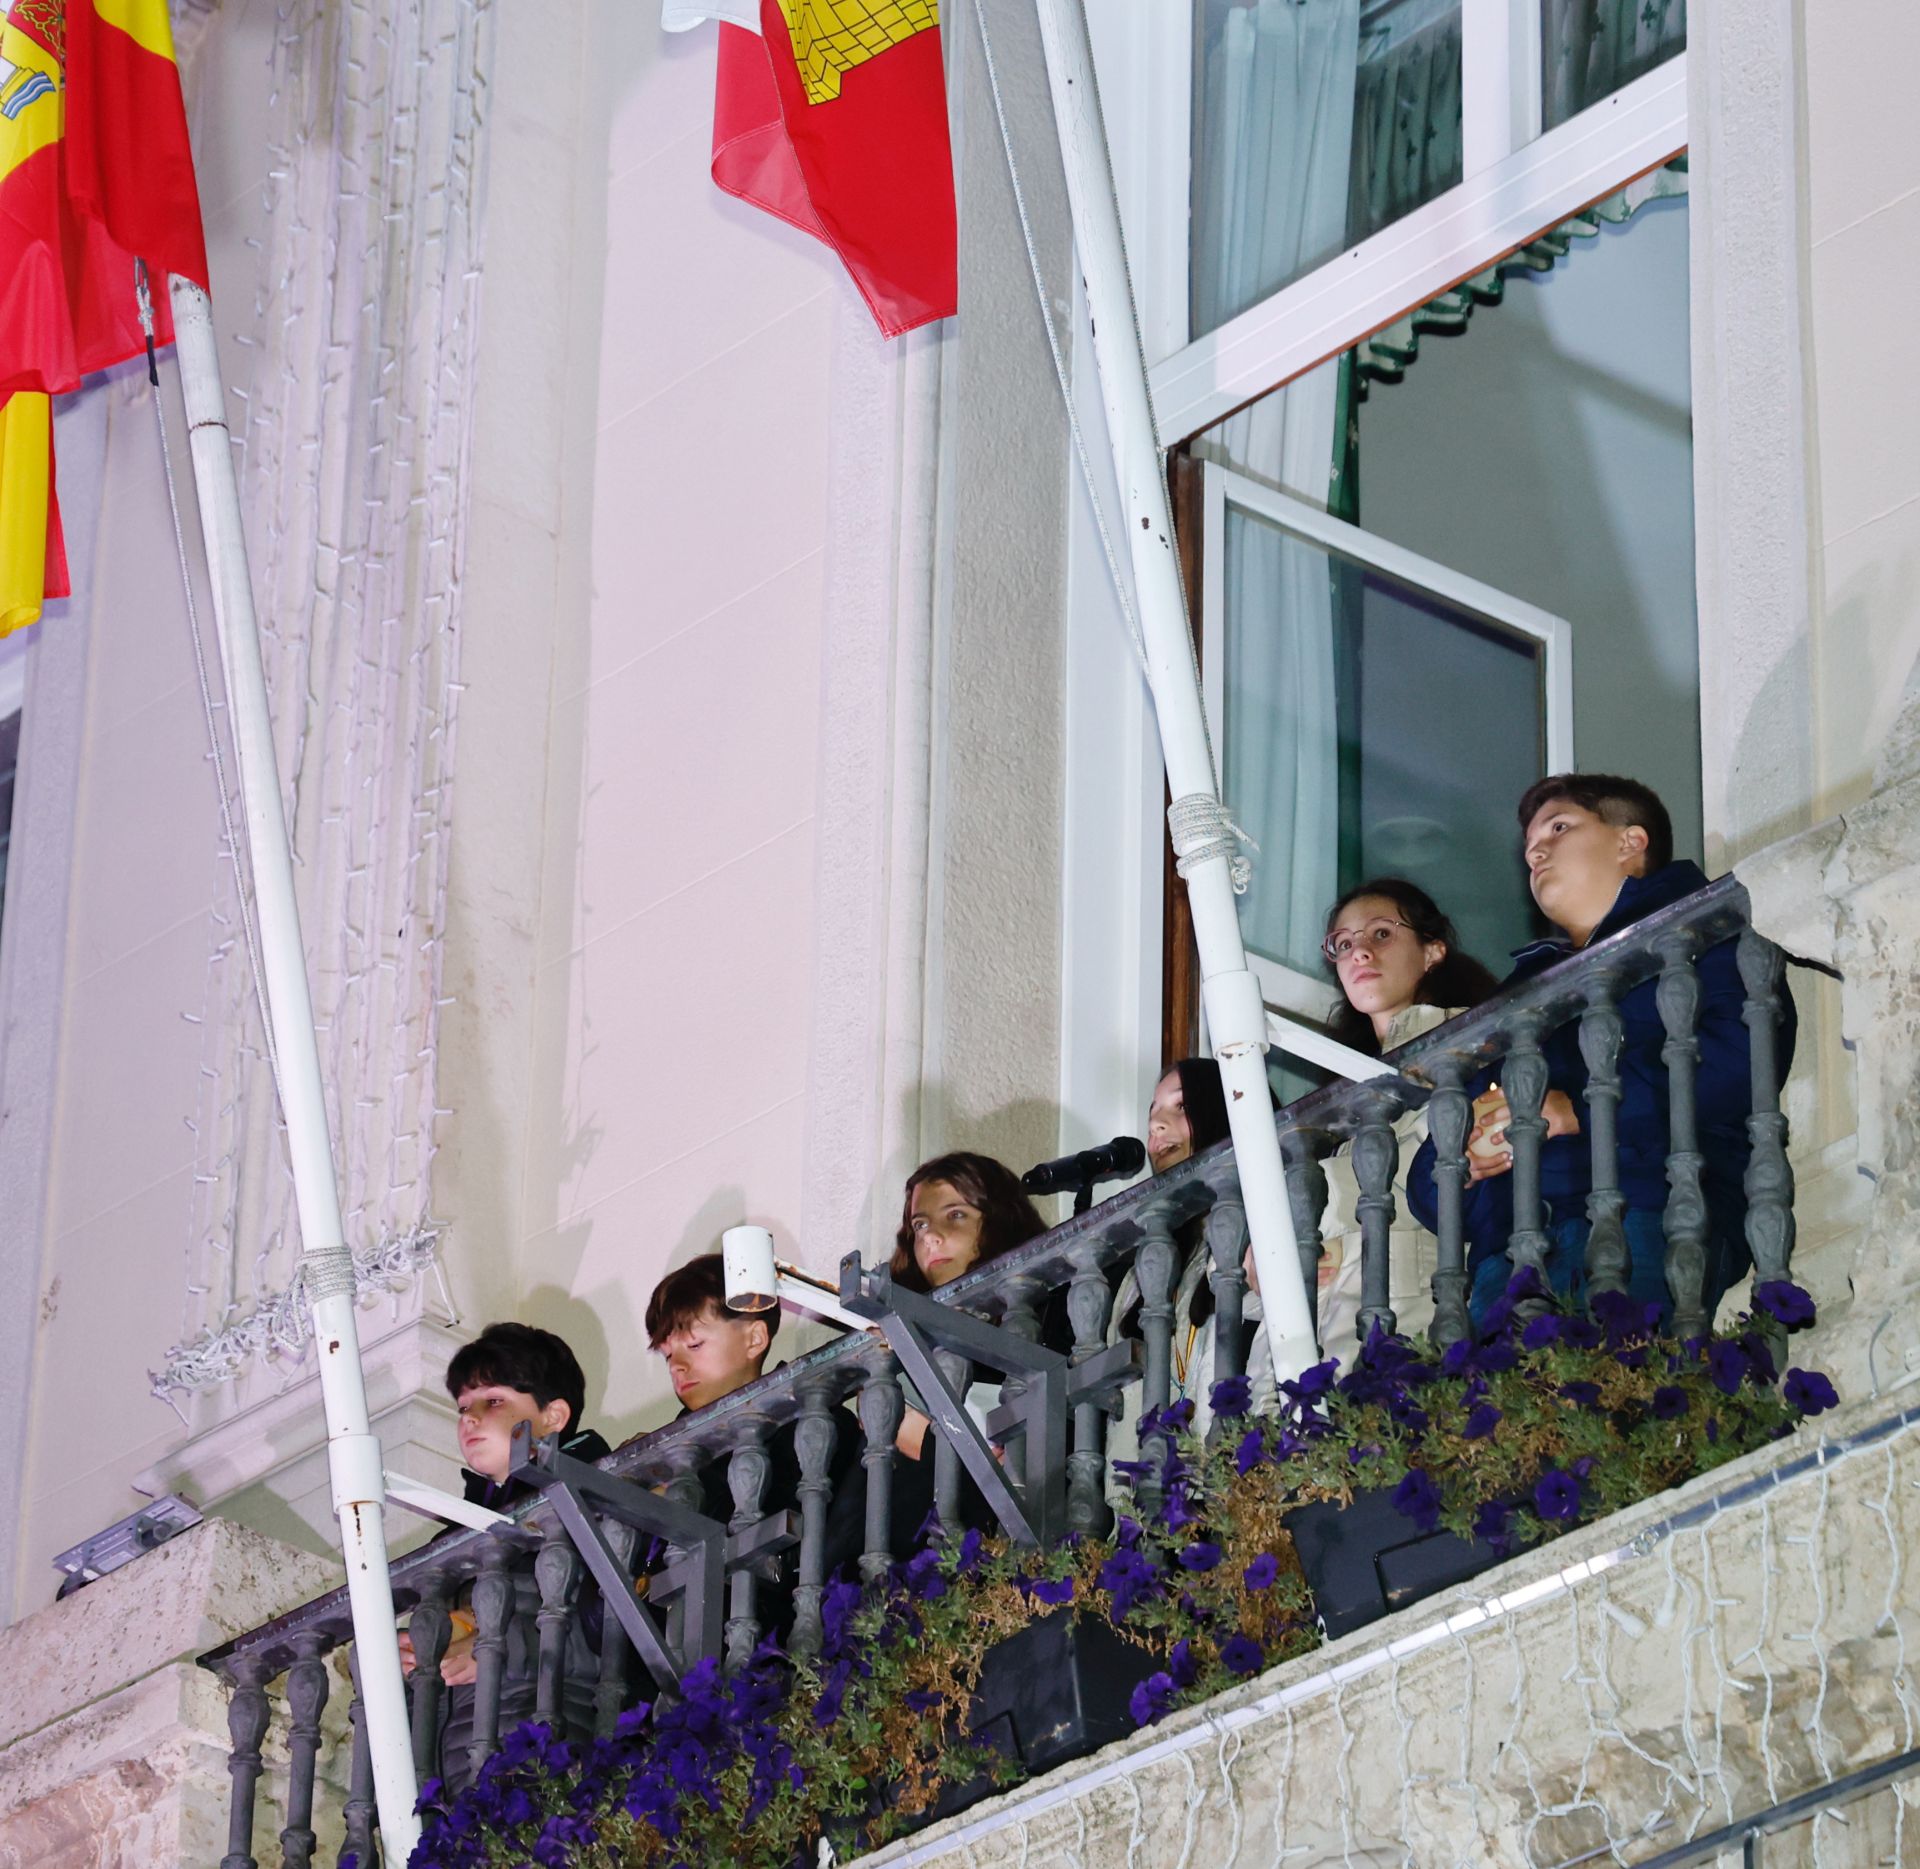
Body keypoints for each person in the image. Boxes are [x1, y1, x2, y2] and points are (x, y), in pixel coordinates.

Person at [1406, 773, 1797, 1329]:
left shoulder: (1707, 932)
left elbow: (1740, 1061)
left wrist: (1580, 1110)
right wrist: (1460, 1160)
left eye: (1559, 828)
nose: (1535, 851)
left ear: (1629, 842)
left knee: (1614, 1404)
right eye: (1529, 846)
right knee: (1516, 1413)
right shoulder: (1508, 999)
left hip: (1649, 1213)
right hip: (1508, 1253)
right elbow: (1431, 1181)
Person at [404, 1323, 610, 1784]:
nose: (470, 1418)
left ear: (554, 1416)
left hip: (546, 1740)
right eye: (462, 1407)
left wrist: (495, 1651)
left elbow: (610, 1631)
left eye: (492, 1400)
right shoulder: (454, 1537)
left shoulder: (597, 1496)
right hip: (454, 1762)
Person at [1310, 879, 1500, 1352]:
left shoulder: (1468, 1042)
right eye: (1343, 944)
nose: (1359, 953)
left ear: (1432, 951)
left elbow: (1427, 1161)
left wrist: (1301, 1207)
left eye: (1381, 934)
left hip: (1418, 1294)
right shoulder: (1344, 1084)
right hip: (1337, 1313)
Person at [644, 1253, 866, 1636]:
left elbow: (797, 1536)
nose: (677, 1366)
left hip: (780, 1634)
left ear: (754, 1338)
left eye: (693, 1345)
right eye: (668, 1355)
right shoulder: (671, 1453)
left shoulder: (815, 1423)